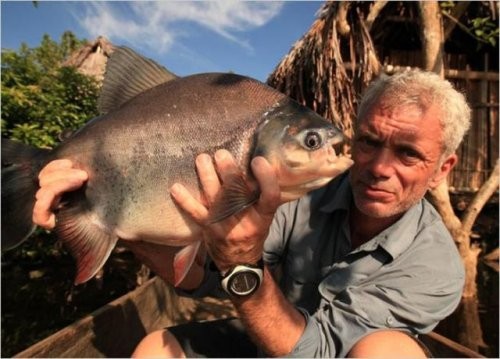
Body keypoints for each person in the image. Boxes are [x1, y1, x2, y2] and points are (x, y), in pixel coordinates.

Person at [32, 69, 470, 357]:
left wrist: (241, 262)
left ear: (441, 170)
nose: (378, 168)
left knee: (389, 353)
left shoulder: (435, 269)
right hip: (262, 341)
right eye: (369, 142)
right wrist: (109, 218)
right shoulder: (296, 191)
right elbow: (202, 282)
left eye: (408, 153)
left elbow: (315, 352)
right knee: (155, 348)